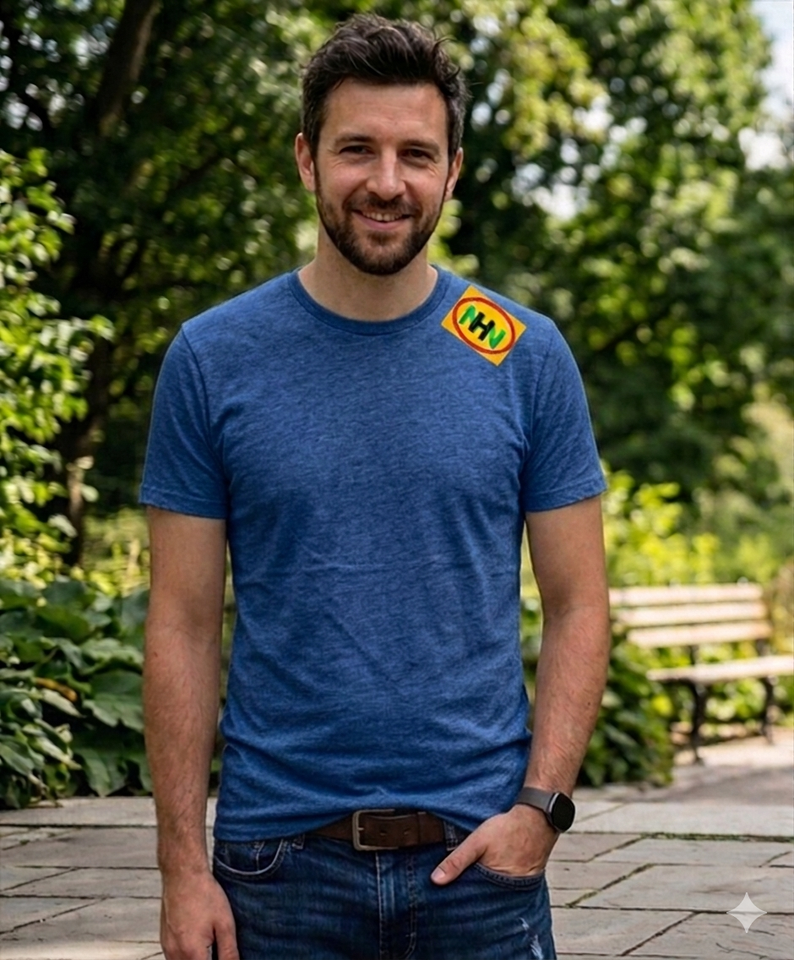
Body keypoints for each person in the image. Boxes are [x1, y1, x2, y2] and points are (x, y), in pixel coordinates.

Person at [141, 13, 610, 960]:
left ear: (453, 171)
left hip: (481, 870)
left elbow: (579, 604)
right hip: (275, 871)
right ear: (307, 159)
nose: (387, 183)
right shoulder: (212, 358)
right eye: (357, 149)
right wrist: (183, 871)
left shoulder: (523, 355)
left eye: (416, 154)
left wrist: (540, 812)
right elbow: (181, 624)